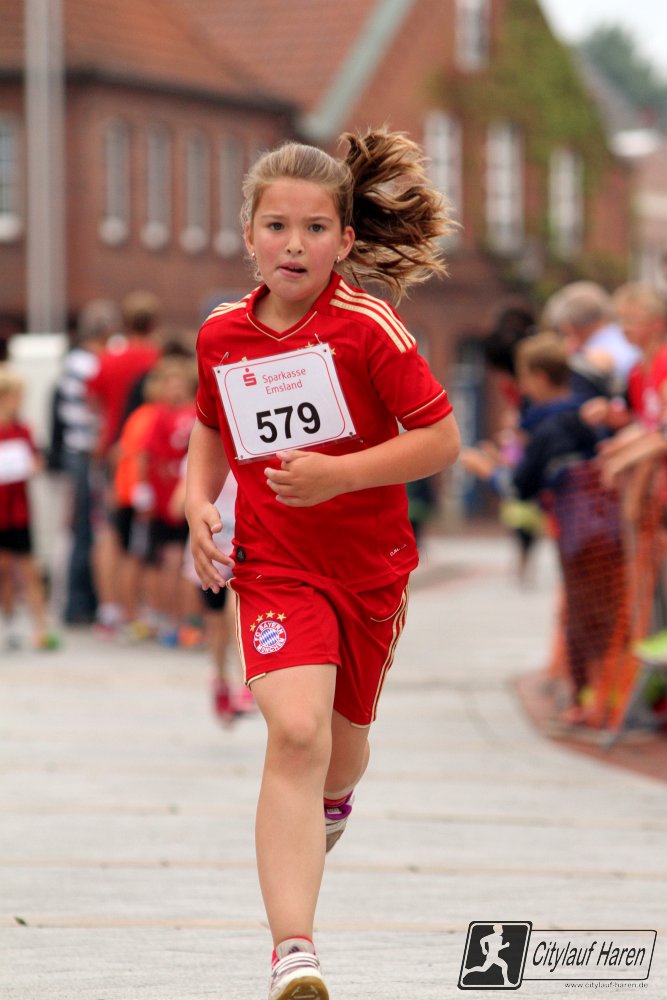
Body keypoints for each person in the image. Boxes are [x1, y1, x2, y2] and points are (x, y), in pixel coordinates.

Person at [185, 128, 460, 1000]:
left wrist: (340, 474)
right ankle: (293, 954)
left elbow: (440, 439)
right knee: (295, 732)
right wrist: (197, 501)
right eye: (275, 226)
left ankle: (333, 805)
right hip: (274, 566)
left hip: (369, 571)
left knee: (340, 753)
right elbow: (208, 425)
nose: (292, 245)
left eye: (312, 229)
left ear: (344, 240)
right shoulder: (221, 333)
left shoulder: (368, 327)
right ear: (248, 235)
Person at [462, 333, 625, 726]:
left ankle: (593, 704)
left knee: (584, 619)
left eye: (522, 377)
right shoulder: (587, 413)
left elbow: (519, 487)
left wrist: (487, 470)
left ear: (537, 377)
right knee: (609, 615)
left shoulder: (549, 425)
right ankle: (605, 698)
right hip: (613, 528)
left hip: (579, 531)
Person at [87, 291, 162, 634]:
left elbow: (93, 403)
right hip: (149, 452)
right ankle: (141, 608)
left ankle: (110, 609)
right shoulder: (157, 358)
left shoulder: (107, 358)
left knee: (108, 532)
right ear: (154, 323)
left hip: (112, 450)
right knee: (145, 533)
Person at [50, 299, 120, 624]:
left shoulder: (73, 361)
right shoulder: (89, 364)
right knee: (86, 527)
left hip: (74, 450)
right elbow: (92, 411)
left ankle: (78, 601)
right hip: (86, 450)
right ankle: (79, 603)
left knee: (81, 526)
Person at [0, 365, 59, 650]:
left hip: (18, 510)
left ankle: (41, 626)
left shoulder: (22, 429)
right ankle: (10, 622)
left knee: (28, 569)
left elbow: (34, 459)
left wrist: (32, 465)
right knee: (3, 570)